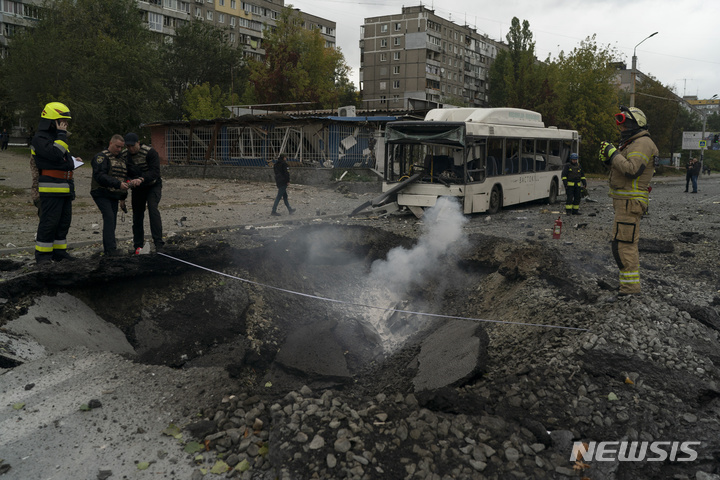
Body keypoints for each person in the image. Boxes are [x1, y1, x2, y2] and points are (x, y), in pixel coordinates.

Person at [599, 105, 658, 295]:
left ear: (636, 124)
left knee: (624, 246)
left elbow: (632, 170)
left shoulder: (642, 143)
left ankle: (630, 289)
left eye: (625, 125)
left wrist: (613, 154)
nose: (622, 130)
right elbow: (621, 170)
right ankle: (628, 286)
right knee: (620, 245)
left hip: (630, 204)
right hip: (625, 203)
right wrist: (609, 159)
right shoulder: (633, 143)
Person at [31, 102, 82, 265]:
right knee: (49, 222)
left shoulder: (56, 138)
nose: (65, 125)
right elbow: (54, 155)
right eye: (62, 121)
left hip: (65, 187)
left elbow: (61, 159)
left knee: (63, 223)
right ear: (52, 121)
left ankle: (59, 253)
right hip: (51, 188)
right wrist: (62, 134)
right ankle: (43, 256)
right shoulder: (40, 138)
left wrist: (72, 161)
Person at [90, 134, 137, 256]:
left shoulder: (121, 159)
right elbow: (100, 176)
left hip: (114, 194)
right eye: (117, 147)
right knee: (109, 217)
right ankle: (110, 250)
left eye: (121, 147)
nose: (119, 150)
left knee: (112, 219)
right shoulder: (101, 157)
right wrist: (118, 184)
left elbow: (124, 175)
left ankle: (110, 248)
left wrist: (130, 182)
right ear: (111, 143)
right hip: (101, 192)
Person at [123, 132, 164, 253]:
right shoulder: (125, 155)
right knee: (137, 215)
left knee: (153, 209)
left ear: (138, 143)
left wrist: (141, 179)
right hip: (137, 188)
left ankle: (159, 243)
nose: (130, 149)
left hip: (152, 185)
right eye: (128, 146)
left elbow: (155, 172)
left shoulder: (150, 152)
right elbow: (123, 174)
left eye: (132, 146)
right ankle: (138, 246)